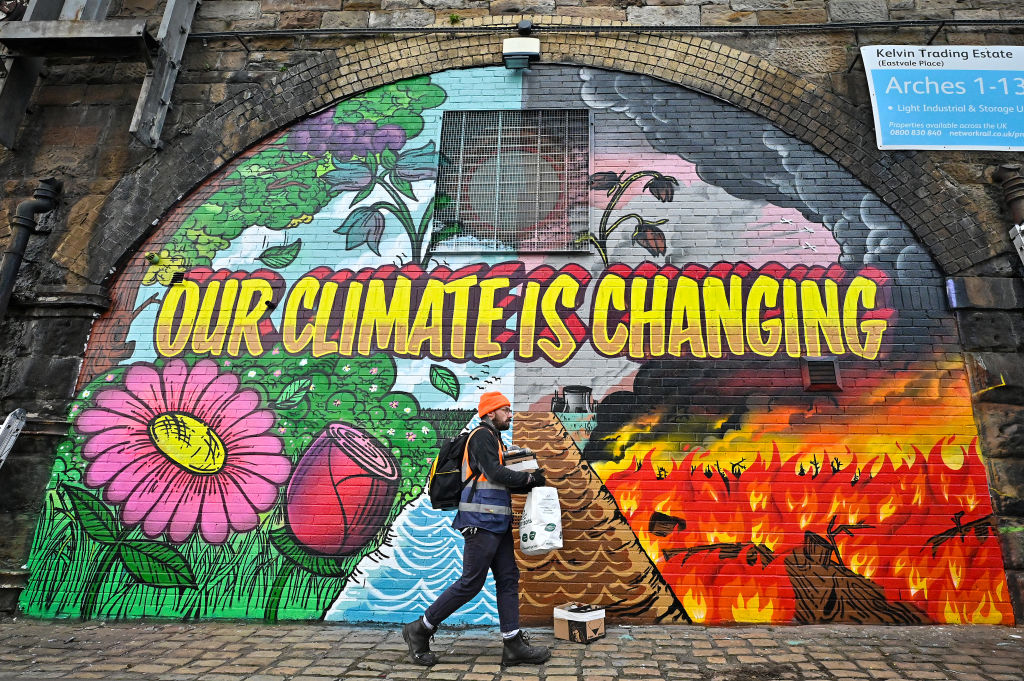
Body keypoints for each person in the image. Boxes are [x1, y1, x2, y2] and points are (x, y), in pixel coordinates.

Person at [402, 391, 552, 667]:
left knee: (508, 578)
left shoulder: (494, 438)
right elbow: (495, 473)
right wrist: (530, 478)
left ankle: (513, 643)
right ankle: (419, 629)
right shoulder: (482, 436)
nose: (510, 414)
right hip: (481, 524)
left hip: (497, 523)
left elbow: (497, 479)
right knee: (471, 582)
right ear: (491, 412)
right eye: (505, 410)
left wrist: (528, 479)